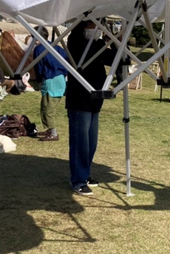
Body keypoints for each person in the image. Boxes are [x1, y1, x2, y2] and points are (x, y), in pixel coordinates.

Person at [65, 20, 116, 195]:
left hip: (95, 100)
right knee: (81, 143)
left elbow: (117, 59)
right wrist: (104, 42)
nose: (94, 30)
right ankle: (78, 180)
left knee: (91, 143)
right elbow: (85, 56)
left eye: (97, 26)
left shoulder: (99, 43)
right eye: (91, 26)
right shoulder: (75, 41)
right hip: (79, 99)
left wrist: (116, 41)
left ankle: (85, 174)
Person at [33, 26, 68, 142]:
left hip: (51, 80)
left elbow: (39, 66)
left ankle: (53, 132)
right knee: (45, 106)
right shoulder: (56, 46)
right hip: (60, 79)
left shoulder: (39, 49)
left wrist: (38, 79)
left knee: (48, 108)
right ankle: (49, 129)